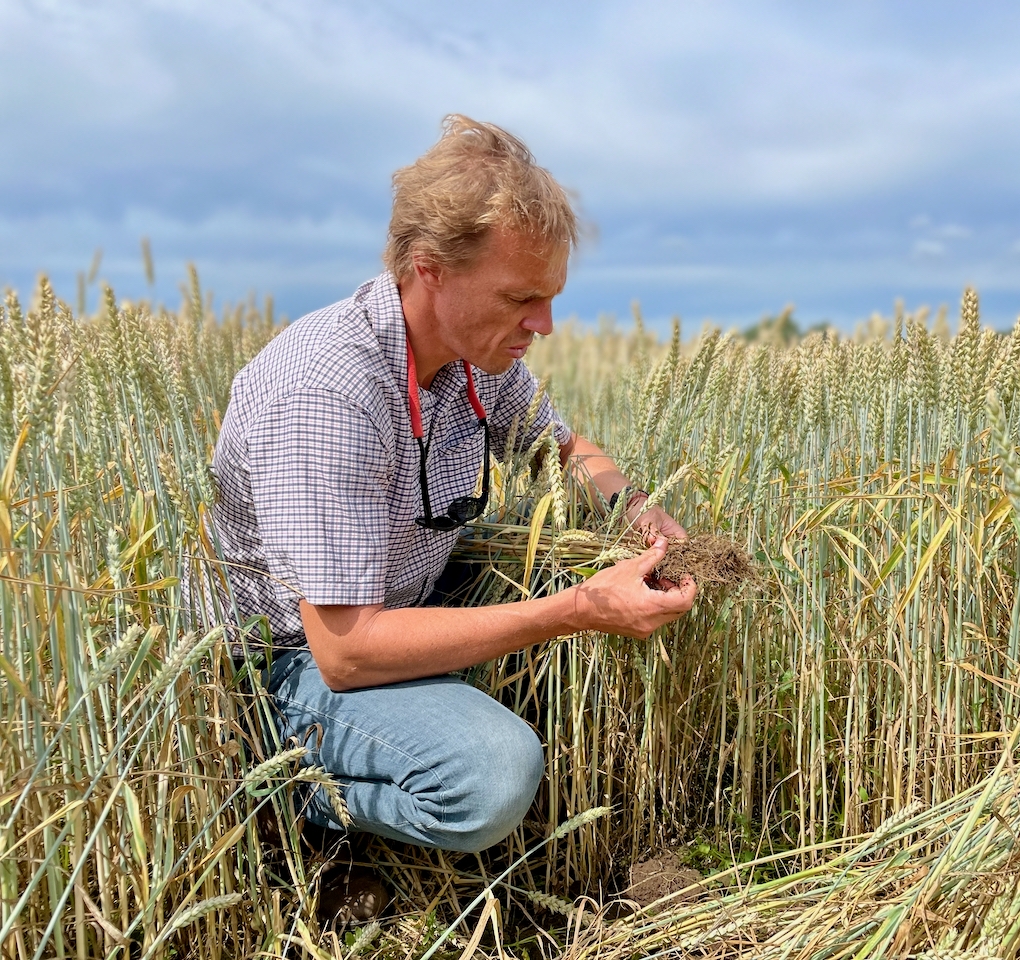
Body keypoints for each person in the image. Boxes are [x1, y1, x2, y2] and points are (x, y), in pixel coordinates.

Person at [208, 115, 697, 859]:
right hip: (284, 665)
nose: (546, 323)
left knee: (558, 564)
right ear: (430, 268)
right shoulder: (326, 392)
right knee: (490, 776)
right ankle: (267, 791)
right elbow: (345, 653)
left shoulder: (473, 357)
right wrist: (578, 611)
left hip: (398, 605)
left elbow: (566, 449)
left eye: (551, 296)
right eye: (519, 298)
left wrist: (634, 509)